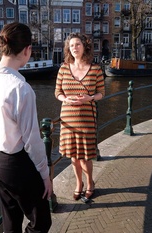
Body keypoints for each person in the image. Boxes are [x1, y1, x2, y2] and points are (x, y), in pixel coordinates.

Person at [0, 22, 52, 233]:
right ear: (27, 50)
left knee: (10, 218)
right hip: (15, 163)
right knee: (41, 221)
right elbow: (33, 140)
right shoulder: (21, 89)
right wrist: (45, 175)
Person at [54, 32, 105, 202]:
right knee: (74, 157)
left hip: (87, 120)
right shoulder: (63, 68)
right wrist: (65, 99)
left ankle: (90, 183)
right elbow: (58, 93)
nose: (74, 48)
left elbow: (101, 93)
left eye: (78, 44)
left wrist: (89, 98)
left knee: (86, 156)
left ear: (84, 47)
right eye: (71, 45)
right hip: (68, 120)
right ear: (68, 49)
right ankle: (78, 184)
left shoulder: (95, 69)